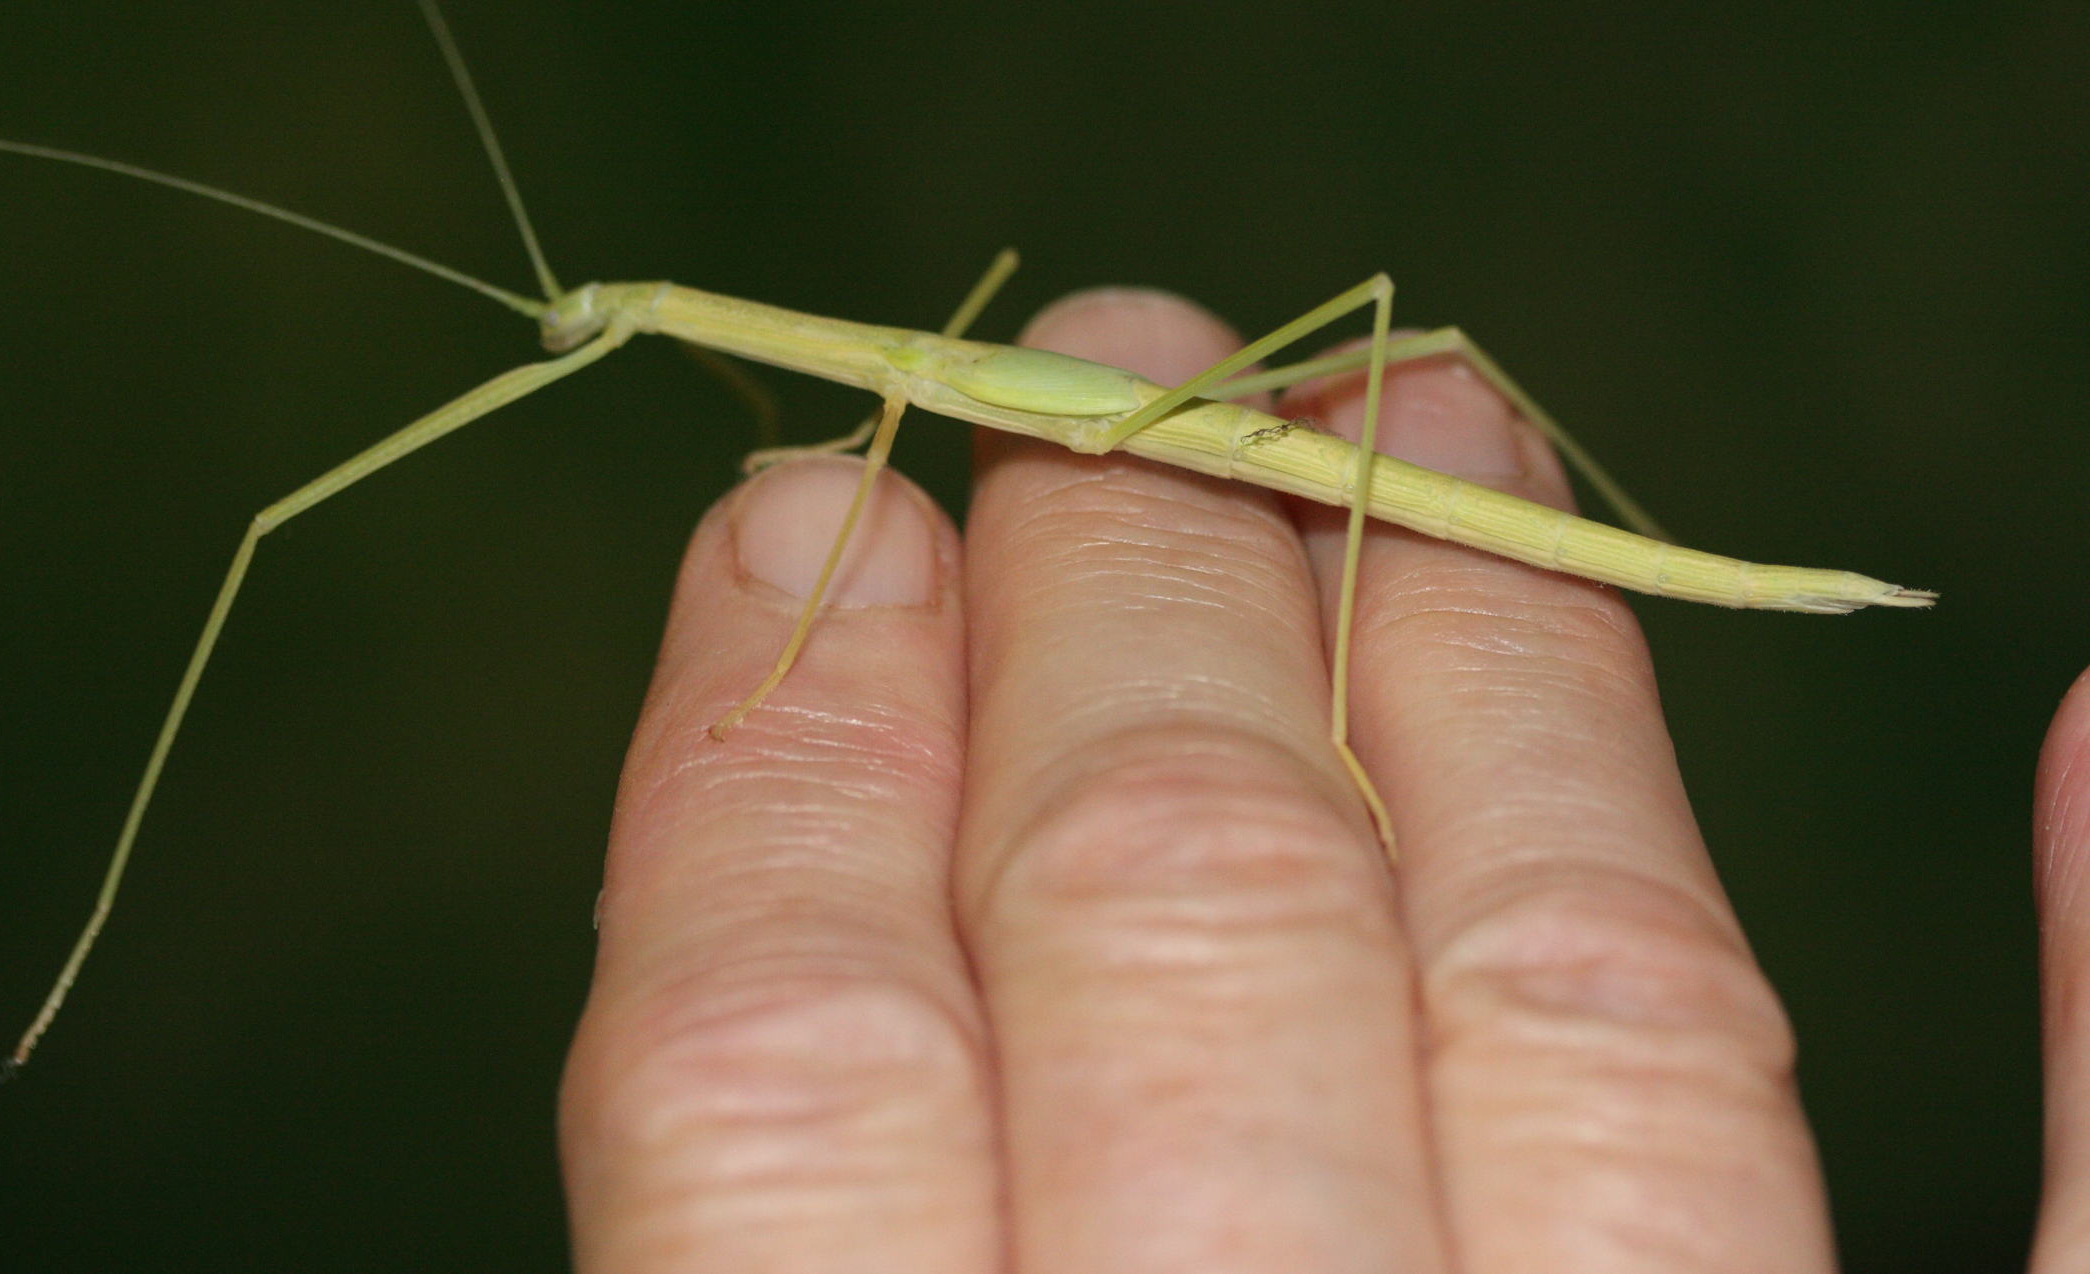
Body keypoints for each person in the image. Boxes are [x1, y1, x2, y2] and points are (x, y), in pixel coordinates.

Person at [556, 285, 2060, 1271]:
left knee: (1424, 349)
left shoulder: (906, 378)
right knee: (1439, 367)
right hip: (1125, 404)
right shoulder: (889, 369)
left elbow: (899, 399)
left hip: (1155, 418)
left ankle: (1607, 579)